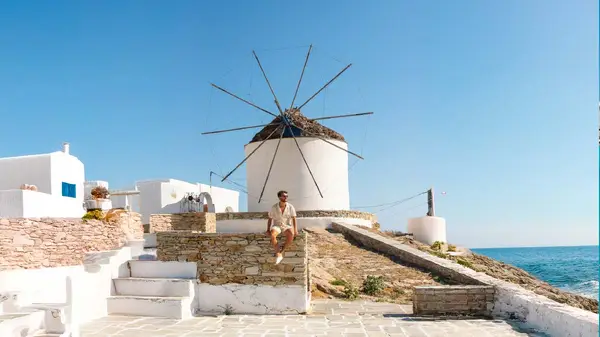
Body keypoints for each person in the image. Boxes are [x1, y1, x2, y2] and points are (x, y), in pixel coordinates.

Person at [266, 190, 298, 264]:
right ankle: (278, 253)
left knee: (291, 234)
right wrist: (268, 229)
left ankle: (280, 252)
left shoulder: (290, 207)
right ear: (279, 197)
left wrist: (295, 230)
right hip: (277, 225)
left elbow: (294, 218)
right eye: (284, 196)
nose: (286, 197)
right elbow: (270, 219)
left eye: (286, 196)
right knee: (272, 235)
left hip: (287, 226)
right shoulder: (274, 207)